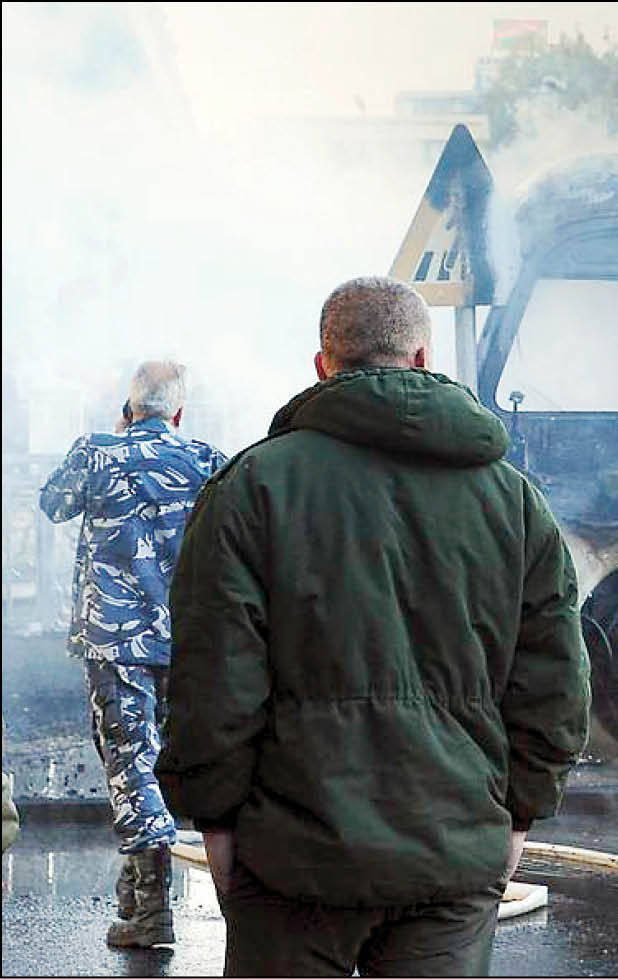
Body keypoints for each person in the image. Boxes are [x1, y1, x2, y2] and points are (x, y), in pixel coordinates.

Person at [156, 277, 591, 977]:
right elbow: (554, 677)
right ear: (422, 357)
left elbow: (213, 675)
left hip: (292, 853)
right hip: (454, 850)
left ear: (323, 364)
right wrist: (519, 814)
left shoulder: (253, 487)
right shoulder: (512, 499)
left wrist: (214, 818)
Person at [39, 361, 227, 948]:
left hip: (115, 639)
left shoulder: (97, 453)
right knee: (167, 762)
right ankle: (137, 889)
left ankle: (151, 914)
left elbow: (53, 504)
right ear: (177, 412)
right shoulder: (206, 460)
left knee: (129, 763)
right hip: (190, 640)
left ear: (129, 408)